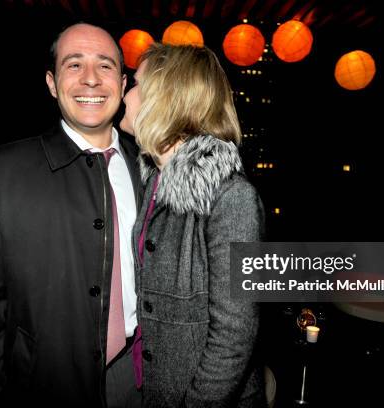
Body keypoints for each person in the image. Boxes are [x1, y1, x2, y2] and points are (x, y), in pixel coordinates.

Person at [0, 23, 142, 407]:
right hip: (39, 387)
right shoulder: (2, 172)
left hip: (137, 381)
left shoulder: (150, 170)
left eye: (105, 66)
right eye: (74, 65)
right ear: (52, 83)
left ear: (123, 85)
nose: (91, 80)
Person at [120, 43, 266, 407]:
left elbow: (233, 339)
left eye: (136, 83)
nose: (126, 91)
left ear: (165, 98)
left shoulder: (232, 199)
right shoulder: (152, 182)